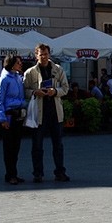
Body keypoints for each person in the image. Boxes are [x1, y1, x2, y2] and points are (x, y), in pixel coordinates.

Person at [23, 43, 70, 183]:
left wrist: (55, 91)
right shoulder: (30, 72)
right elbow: (24, 91)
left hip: (56, 112)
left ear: (49, 55)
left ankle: (60, 172)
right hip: (39, 114)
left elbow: (65, 88)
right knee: (37, 145)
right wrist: (34, 92)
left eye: (46, 54)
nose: (43, 57)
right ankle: (38, 173)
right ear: (36, 55)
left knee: (58, 145)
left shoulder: (58, 69)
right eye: (41, 54)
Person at [0, 55, 26, 185]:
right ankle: (10, 174)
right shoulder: (3, 79)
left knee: (16, 146)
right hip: (9, 115)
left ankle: (14, 172)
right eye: (18, 63)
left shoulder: (18, 77)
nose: (21, 65)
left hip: (18, 115)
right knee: (9, 147)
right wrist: (2, 119)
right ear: (12, 64)